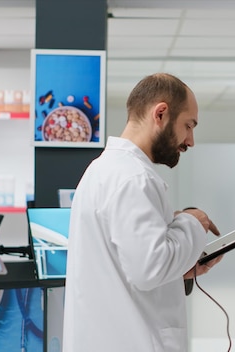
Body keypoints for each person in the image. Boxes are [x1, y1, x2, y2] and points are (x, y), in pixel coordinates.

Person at [62, 73, 223, 352]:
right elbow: (150, 268)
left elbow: (128, 268)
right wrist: (192, 223)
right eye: (188, 125)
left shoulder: (103, 170)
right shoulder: (133, 178)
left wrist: (180, 268)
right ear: (160, 114)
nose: (190, 140)